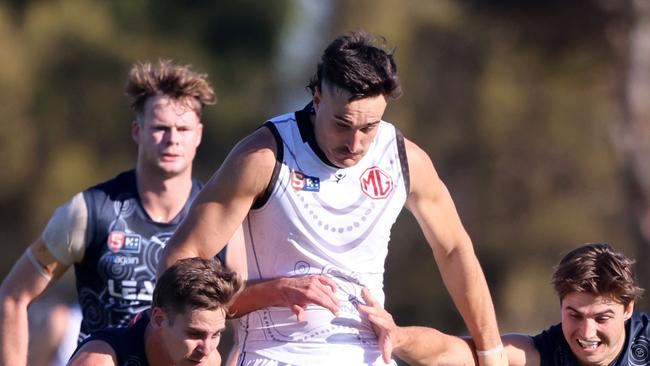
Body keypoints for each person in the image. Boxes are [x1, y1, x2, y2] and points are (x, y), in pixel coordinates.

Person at [158, 31, 506, 366]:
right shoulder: (264, 156)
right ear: (318, 98)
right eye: (342, 124)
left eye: (369, 127)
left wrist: (492, 353)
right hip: (276, 355)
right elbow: (179, 262)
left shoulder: (403, 159)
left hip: (371, 357)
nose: (354, 144)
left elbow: (453, 249)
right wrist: (274, 291)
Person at [0, 59, 228, 366]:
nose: (172, 139)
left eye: (183, 128)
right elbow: (14, 296)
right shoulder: (91, 210)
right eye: (160, 127)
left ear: (198, 134)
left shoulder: (216, 215)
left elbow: (239, 312)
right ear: (137, 131)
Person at [360, 242, 649, 366]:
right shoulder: (545, 354)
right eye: (574, 315)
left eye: (601, 318)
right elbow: (454, 353)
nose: (586, 333)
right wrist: (398, 337)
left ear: (627, 309)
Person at [68, 257, 242, 366]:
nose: (206, 349)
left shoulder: (209, 361)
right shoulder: (99, 360)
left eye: (216, 334)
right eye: (195, 334)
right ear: (159, 319)